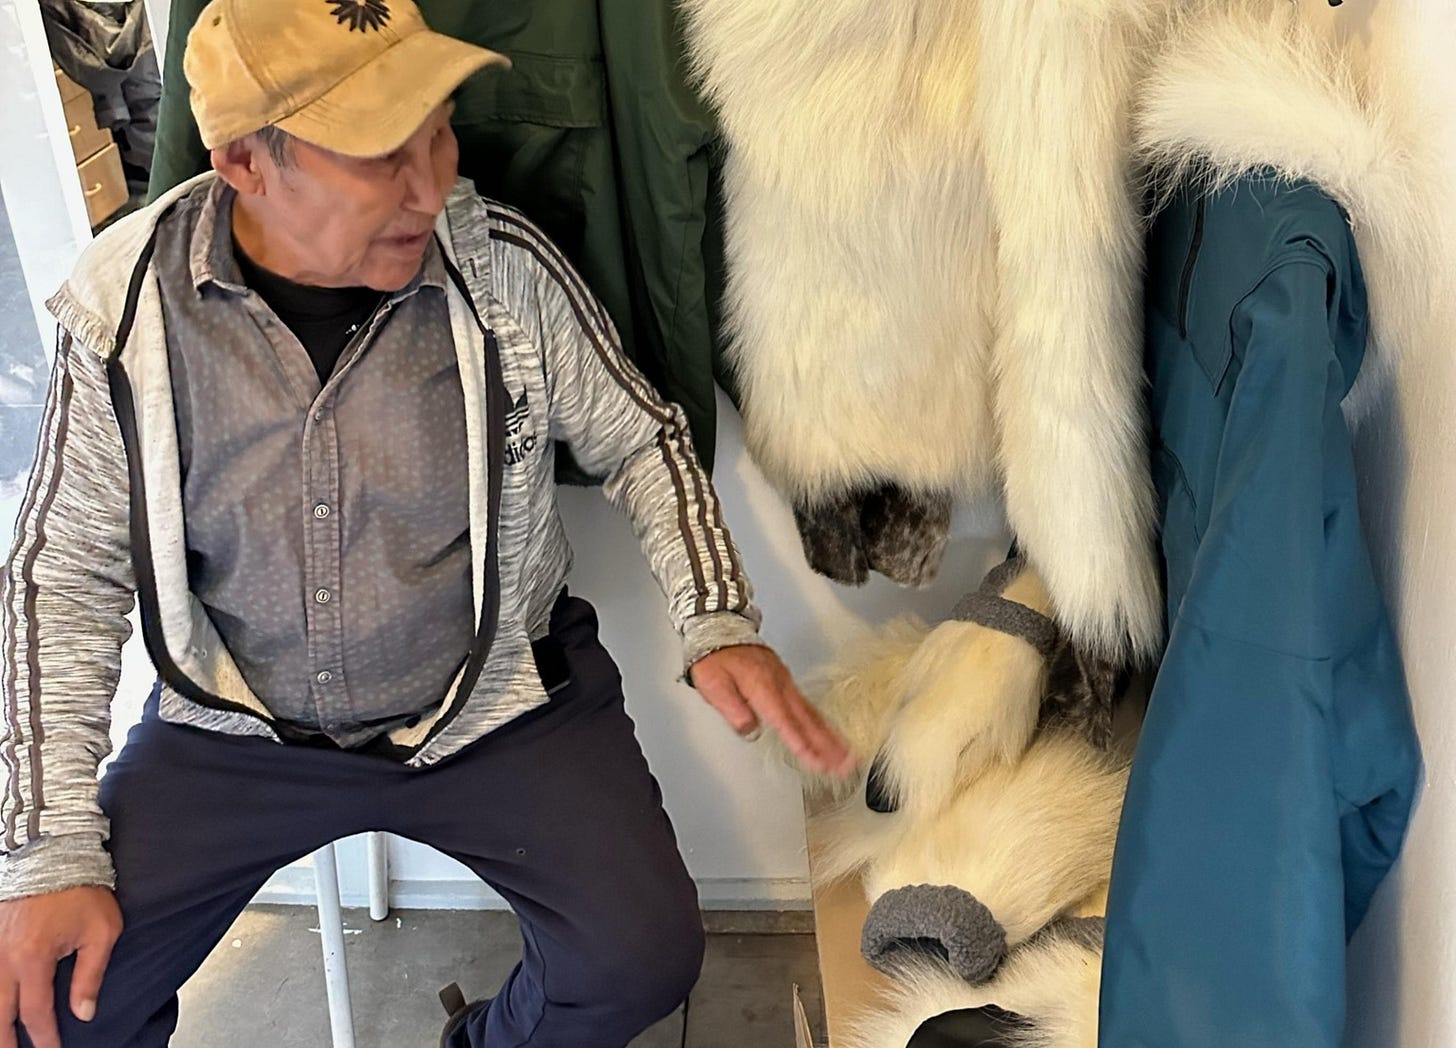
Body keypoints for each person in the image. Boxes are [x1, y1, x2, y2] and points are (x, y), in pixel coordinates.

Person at [0, 1, 851, 1045]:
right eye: (377, 154)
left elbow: (642, 435)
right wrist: (46, 852)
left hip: (502, 706)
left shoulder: (499, 265)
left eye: (438, 130)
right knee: (45, 1002)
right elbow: (60, 576)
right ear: (242, 163)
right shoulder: (123, 306)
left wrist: (718, 618)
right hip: (237, 732)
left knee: (640, 959)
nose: (430, 183)